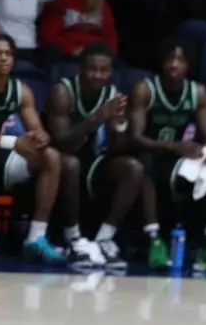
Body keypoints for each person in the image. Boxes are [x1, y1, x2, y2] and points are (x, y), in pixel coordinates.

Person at [0, 35, 76, 264]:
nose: (4, 58)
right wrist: (13, 142)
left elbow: (39, 131)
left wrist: (40, 137)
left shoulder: (22, 90)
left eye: (8, 54)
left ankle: (36, 237)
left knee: (51, 156)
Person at [44, 41, 141, 266]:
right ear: (81, 69)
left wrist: (119, 127)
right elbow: (62, 142)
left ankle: (104, 239)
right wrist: (98, 117)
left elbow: (118, 149)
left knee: (133, 168)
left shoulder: (113, 96)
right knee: (70, 163)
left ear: (111, 72)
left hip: (95, 161)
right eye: (92, 69)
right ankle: (73, 238)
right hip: (59, 160)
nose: (97, 75)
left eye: (104, 70)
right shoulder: (62, 92)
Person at [127, 39, 206, 270]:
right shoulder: (144, 89)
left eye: (180, 60)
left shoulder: (198, 92)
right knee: (144, 164)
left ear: (189, 65)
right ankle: (153, 239)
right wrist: (172, 146)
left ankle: (204, 245)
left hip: (175, 157)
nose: (174, 64)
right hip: (145, 153)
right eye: (169, 59)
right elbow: (135, 138)